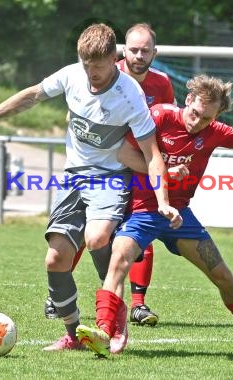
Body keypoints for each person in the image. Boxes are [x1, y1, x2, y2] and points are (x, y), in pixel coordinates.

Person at [0, 23, 182, 352]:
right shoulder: (73, 74)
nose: (92, 74)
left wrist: (163, 199)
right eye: (87, 65)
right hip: (73, 176)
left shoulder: (130, 95)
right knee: (55, 260)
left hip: (110, 178)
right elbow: (31, 95)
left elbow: (152, 154)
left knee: (97, 237)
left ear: (112, 59)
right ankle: (74, 334)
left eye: (98, 67)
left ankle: (114, 319)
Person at [75, 74, 233, 357]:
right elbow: (124, 155)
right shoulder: (159, 116)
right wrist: (164, 173)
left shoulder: (216, 131)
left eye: (206, 119)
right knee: (119, 259)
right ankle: (104, 330)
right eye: (195, 113)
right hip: (144, 211)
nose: (197, 122)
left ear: (216, 117)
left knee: (223, 277)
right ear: (188, 100)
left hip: (180, 217)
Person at [44, 23, 176, 327]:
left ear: (154, 53)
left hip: (140, 164)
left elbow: (165, 125)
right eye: (134, 49)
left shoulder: (161, 84)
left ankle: (137, 304)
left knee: (139, 228)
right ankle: (62, 294)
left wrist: (166, 165)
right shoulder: (102, 70)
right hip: (106, 166)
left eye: (145, 50)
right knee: (83, 235)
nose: (139, 55)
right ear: (122, 51)